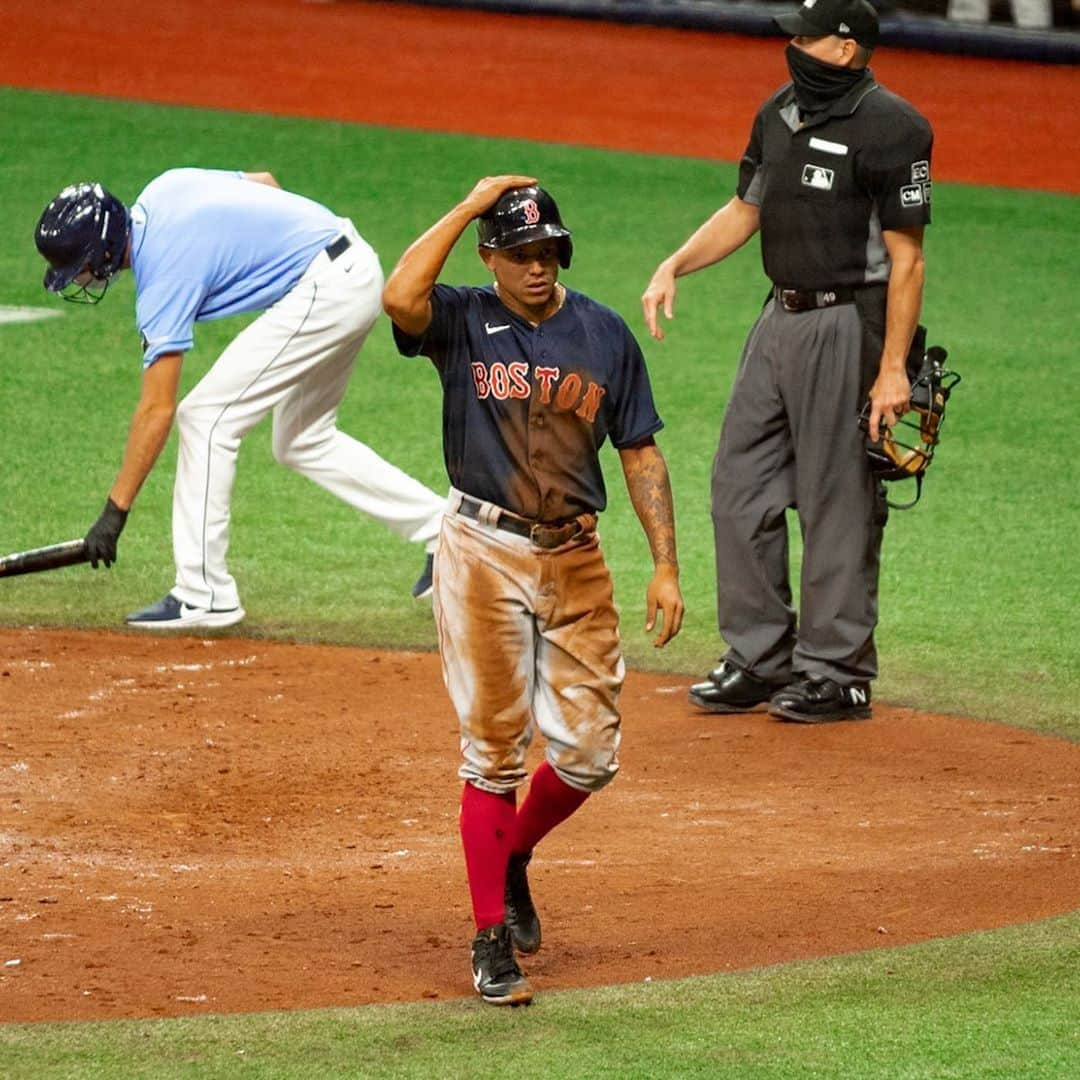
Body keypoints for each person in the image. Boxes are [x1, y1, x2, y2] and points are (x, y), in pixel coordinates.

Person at [382, 177, 684, 1006]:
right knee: (494, 750)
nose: (539, 266)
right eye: (520, 253)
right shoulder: (461, 321)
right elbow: (397, 293)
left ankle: (512, 851)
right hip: (480, 548)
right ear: (491, 257)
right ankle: (489, 942)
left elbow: (640, 451)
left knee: (589, 757)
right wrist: (467, 202)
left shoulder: (604, 333)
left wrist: (666, 563)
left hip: (577, 556)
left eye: (550, 250)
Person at [642, 0, 933, 724]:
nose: (792, 48)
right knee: (739, 483)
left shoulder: (895, 127)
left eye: (804, 37)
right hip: (778, 317)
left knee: (837, 500)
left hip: (848, 322)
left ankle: (837, 672)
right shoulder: (778, 112)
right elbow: (746, 208)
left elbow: (908, 261)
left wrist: (892, 366)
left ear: (845, 48)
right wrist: (676, 263)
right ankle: (760, 657)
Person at [34, 171, 445, 629]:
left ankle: (204, 594)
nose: (81, 277)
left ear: (106, 251)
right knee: (302, 439)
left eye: (82, 265)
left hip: (325, 291)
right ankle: (444, 533)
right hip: (352, 265)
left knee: (205, 419)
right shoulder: (163, 188)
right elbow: (264, 182)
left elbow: (157, 411)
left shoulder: (163, 276)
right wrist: (279, 253)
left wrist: (115, 512)